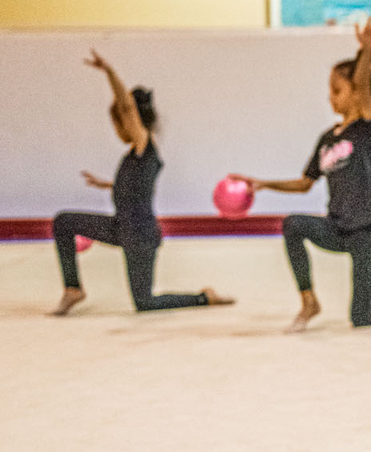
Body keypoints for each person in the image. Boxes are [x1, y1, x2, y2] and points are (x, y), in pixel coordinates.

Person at [50, 50, 234, 317]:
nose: (117, 128)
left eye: (118, 122)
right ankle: (73, 289)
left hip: (140, 234)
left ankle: (204, 297)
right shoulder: (135, 155)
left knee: (145, 302)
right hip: (120, 228)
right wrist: (107, 185)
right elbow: (136, 187)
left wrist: (109, 71)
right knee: (64, 222)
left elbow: (127, 108)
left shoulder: (144, 143)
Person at [237, 17, 371, 331]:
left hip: (367, 231)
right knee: (293, 224)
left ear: (357, 94)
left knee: (360, 318)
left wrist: (366, 49)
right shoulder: (327, 139)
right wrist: (264, 183)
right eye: (330, 90)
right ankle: (309, 301)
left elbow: (362, 84)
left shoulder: (364, 127)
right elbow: (305, 183)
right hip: (337, 228)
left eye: (337, 90)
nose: (331, 97)